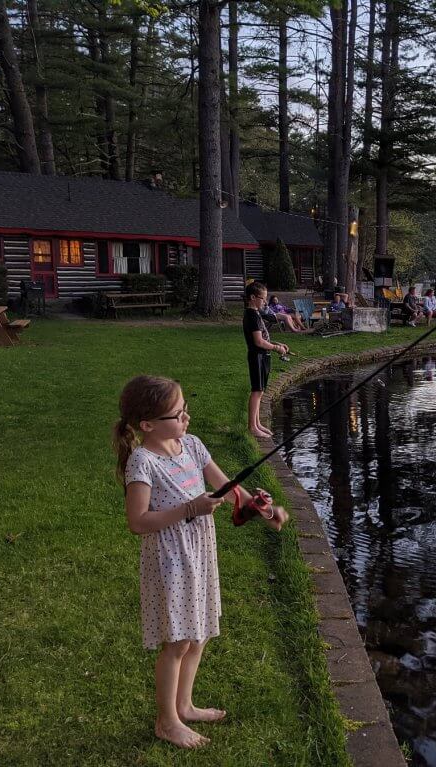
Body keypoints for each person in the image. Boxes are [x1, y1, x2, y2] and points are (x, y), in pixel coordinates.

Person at [113, 375, 288, 749]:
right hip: (171, 559)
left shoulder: (191, 446)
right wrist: (190, 508)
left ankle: (185, 705)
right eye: (177, 415)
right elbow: (137, 522)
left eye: (185, 410)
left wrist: (259, 506)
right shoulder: (143, 463)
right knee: (177, 641)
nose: (187, 419)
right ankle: (167, 721)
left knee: (200, 634)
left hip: (199, 553)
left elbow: (228, 487)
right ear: (147, 425)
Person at [244, 281, 288, 438]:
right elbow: (258, 342)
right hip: (257, 356)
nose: (265, 301)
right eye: (262, 298)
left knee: (260, 391)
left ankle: (257, 423)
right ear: (252, 297)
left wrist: (276, 343)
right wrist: (277, 349)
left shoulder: (256, 314)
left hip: (263, 356)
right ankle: (252, 426)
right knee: (256, 391)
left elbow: (264, 338)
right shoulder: (251, 316)